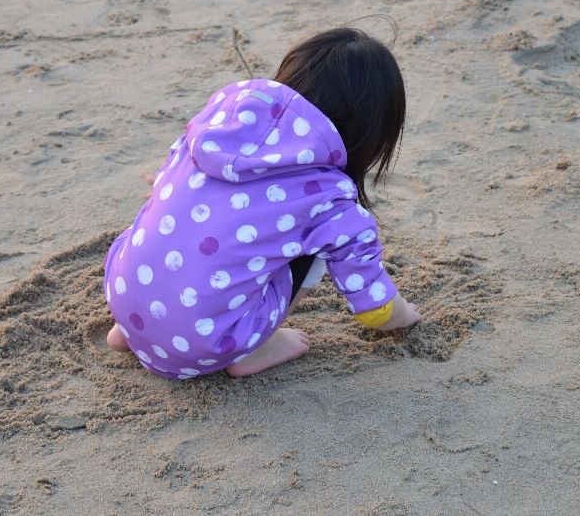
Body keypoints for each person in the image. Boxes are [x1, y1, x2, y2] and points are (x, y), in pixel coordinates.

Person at [104, 27, 421, 379]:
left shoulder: (220, 127)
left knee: (180, 218)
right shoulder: (326, 198)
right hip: (204, 344)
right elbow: (374, 308)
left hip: (123, 297)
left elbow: (163, 181)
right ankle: (255, 349)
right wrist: (404, 313)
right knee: (310, 244)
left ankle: (131, 333)